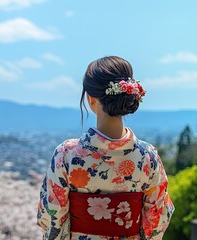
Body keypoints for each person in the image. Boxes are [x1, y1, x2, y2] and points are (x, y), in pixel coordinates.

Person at [37, 56, 174, 240]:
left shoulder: (67, 154)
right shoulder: (147, 157)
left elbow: (51, 215)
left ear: (90, 98)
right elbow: (159, 217)